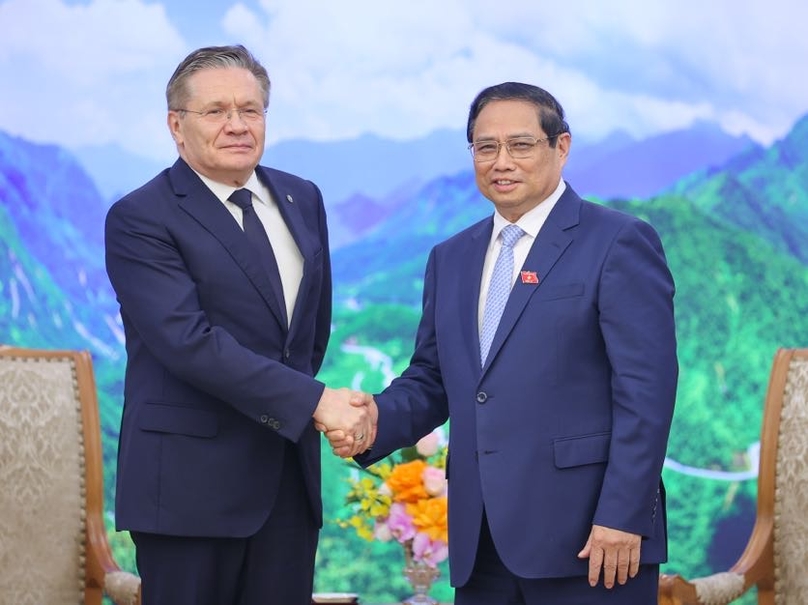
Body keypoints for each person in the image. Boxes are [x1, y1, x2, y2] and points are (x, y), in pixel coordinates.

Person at [327, 82, 678, 604]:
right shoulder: (451, 257)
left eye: (521, 145)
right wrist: (372, 422)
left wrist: (624, 516)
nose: (501, 161)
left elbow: (646, 392)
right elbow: (433, 378)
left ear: (561, 147)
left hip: (592, 542)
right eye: (485, 147)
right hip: (480, 542)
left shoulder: (618, 241)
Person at [104, 44, 372, 605]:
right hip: (186, 489)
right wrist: (316, 403)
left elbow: (306, 336)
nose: (237, 125)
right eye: (216, 111)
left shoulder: (302, 197)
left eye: (251, 109)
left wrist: (306, 405)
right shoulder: (141, 217)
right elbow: (187, 342)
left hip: (286, 484)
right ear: (177, 126)